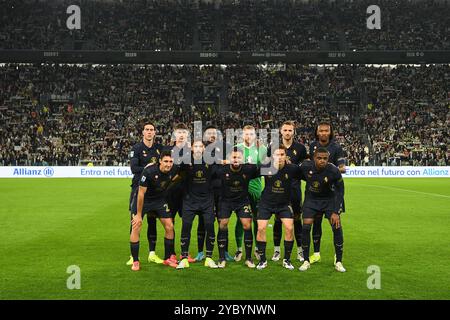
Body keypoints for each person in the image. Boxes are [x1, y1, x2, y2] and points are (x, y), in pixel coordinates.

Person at [129, 151, 180, 271]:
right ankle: (135, 261)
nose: (168, 164)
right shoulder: (149, 172)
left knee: (169, 226)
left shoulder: (174, 169)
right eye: (166, 161)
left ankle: (167, 258)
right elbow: (141, 193)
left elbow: (181, 173)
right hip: (143, 200)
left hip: (159, 200)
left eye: (171, 161)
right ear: (160, 161)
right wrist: (139, 215)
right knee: (136, 226)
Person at [298, 147, 346, 272]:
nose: (322, 161)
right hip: (311, 200)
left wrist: (336, 211)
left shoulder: (334, 170)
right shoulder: (305, 166)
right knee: (306, 226)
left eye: (325, 158)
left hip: (329, 201)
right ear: (314, 158)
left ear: (328, 159)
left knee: (336, 226)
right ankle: (306, 260)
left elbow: (341, 191)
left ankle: (339, 261)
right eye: (319, 158)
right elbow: (294, 173)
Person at [176, 140, 220, 269]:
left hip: (207, 201)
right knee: (186, 227)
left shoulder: (211, 161)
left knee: (209, 226)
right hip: (189, 201)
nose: (198, 148)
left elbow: (219, 175)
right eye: (196, 146)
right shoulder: (185, 161)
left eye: (201, 146)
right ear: (192, 148)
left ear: (204, 148)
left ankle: (209, 258)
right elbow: (175, 168)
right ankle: (184, 258)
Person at [256, 145, 300, 270]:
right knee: (261, 228)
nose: (279, 157)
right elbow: (248, 173)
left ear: (286, 156)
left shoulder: (292, 169)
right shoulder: (265, 167)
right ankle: (263, 260)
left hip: (284, 204)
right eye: (277, 154)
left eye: (282, 155)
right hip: (266, 203)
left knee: (289, 228)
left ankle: (286, 259)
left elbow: (308, 175)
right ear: (272, 157)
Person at [126, 120, 164, 266]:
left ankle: (152, 253)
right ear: (143, 132)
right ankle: (132, 255)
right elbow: (134, 168)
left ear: (155, 132)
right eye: (147, 129)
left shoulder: (159, 148)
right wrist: (148, 167)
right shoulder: (136, 148)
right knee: (135, 221)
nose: (149, 132)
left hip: (154, 191)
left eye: (151, 129)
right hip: (138, 189)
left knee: (152, 221)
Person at [268, 121, 307, 262]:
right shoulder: (273, 147)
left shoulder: (300, 148)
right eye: (285, 130)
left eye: (290, 130)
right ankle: (277, 250)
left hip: (295, 189)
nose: (288, 133)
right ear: (281, 131)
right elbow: (268, 167)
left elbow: (304, 167)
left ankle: (300, 251)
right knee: (278, 219)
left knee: (297, 220)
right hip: (279, 190)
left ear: (293, 132)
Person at [308, 122, 346, 264]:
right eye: (321, 131)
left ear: (330, 132)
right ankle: (316, 254)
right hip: (317, 193)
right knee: (316, 223)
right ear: (317, 132)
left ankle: (338, 257)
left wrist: (328, 168)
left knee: (335, 224)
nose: (324, 133)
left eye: (326, 131)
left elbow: (342, 168)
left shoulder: (336, 147)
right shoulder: (313, 146)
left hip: (333, 193)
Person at [195, 125, 234, 262]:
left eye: (214, 133)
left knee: (222, 221)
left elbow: (231, 163)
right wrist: (221, 162)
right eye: (209, 133)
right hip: (206, 190)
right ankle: (201, 251)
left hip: (223, 190)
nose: (212, 135)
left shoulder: (227, 147)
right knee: (204, 220)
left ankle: (225, 251)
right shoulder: (201, 148)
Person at [215, 148, 259, 268]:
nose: (236, 160)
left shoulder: (248, 169)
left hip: (242, 201)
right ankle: (221, 258)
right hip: (226, 201)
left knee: (247, 224)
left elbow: (263, 169)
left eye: (239, 157)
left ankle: (249, 258)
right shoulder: (222, 170)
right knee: (223, 223)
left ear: (243, 159)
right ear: (229, 159)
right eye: (234, 157)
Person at [234, 125, 267, 262]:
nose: (249, 137)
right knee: (241, 220)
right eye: (246, 134)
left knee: (256, 219)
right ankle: (239, 249)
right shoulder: (237, 148)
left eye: (251, 134)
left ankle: (257, 249)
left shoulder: (262, 148)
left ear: (255, 135)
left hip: (256, 189)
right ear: (242, 135)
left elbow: (264, 167)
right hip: (241, 189)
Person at [164, 123, 195, 263]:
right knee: (170, 223)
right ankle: (170, 254)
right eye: (179, 132)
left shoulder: (192, 151)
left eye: (184, 132)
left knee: (187, 222)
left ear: (187, 135)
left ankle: (185, 252)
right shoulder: (168, 151)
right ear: (175, 134)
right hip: (170, 192)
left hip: (187, 192)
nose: (181, 135)